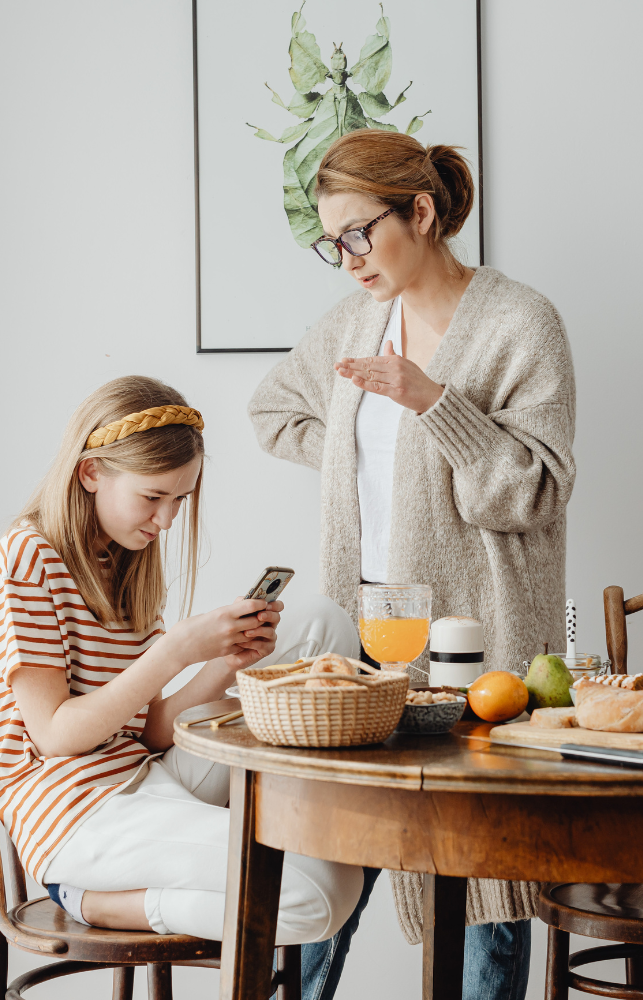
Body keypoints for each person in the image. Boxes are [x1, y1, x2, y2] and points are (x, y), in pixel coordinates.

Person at [248, 130, 576, 999]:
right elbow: (273, 411)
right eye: (331, 241)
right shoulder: (354, 323)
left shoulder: (519, 323)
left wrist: (433, 403)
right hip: (368, 655)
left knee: (485, 893)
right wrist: (360, 460)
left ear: (421, 212)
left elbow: (532, 494)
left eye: (358, 232)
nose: (345, 258)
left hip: (487, 655)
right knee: (331, 876)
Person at [0, 375, 363, 943]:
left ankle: (287, 818)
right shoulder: (28, 555)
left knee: (322, 621)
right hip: (74, 810)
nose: (168, 519)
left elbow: (148, 730)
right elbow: (55, 735)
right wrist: (177, 650)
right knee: (324, 889)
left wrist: (226, 660)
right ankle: (103, 902)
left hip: (143, 774)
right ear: (91, 473)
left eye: (181, 499)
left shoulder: (126, 559)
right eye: (153, 497)